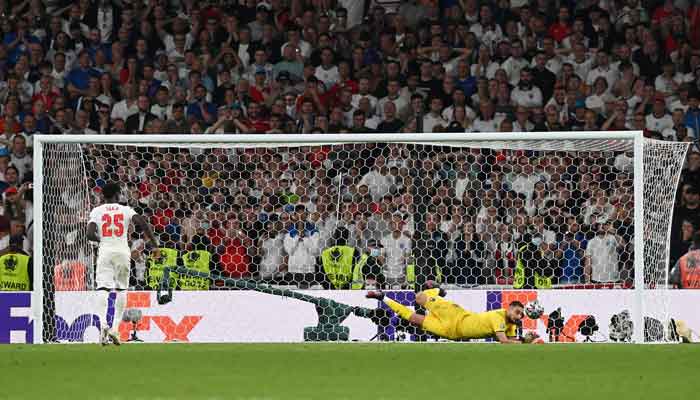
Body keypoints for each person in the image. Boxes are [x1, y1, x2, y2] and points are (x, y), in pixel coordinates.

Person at [87, 182, 159, 345]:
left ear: (103, 196)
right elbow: (142, 223)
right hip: (122, 252)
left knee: (103, 289)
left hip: (105, 252)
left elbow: (90, 234)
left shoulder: (97, 211)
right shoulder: (126, 210)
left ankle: (103, 323)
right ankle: (115, 328)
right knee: (121, 289)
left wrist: (102, 241)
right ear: (118, 195)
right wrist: (154, 245)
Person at [366, 285, 538, 344]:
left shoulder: (510, 324)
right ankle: (438, 290)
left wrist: (524, 340)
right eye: (517, 312)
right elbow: (505, 341)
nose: (518, 316)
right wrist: (524, 341)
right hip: (455, 315)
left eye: (521, 315)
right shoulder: (498, 317)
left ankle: (382, 297)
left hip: (450, 332)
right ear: (509, 308)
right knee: (420, 297)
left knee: (412, 318)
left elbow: (508, 342)